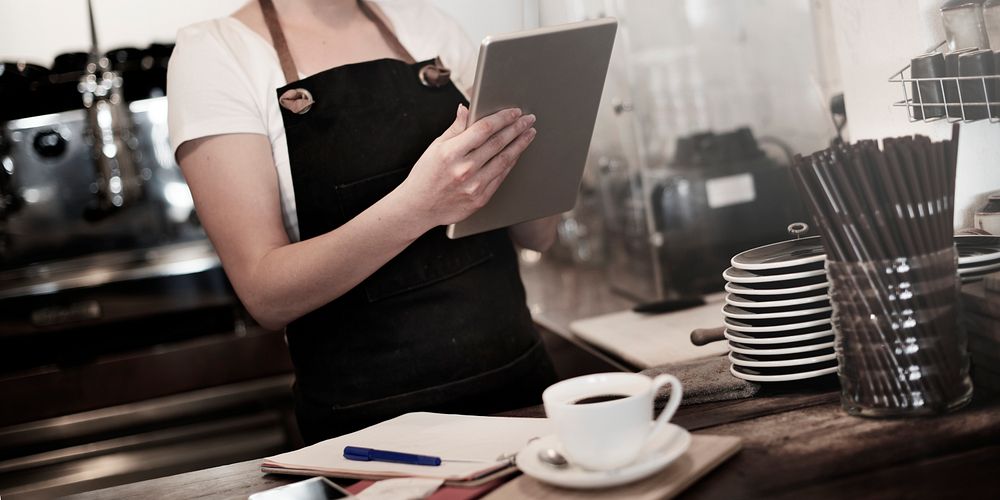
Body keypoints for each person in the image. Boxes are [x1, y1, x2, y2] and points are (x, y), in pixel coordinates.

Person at [167, 0, 559, 444]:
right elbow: (265, 295)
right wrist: (419, 206)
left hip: (521, 397)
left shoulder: (428, 27)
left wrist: (543, 142)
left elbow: (538, 236)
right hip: (372, 434)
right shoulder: (217, 53)